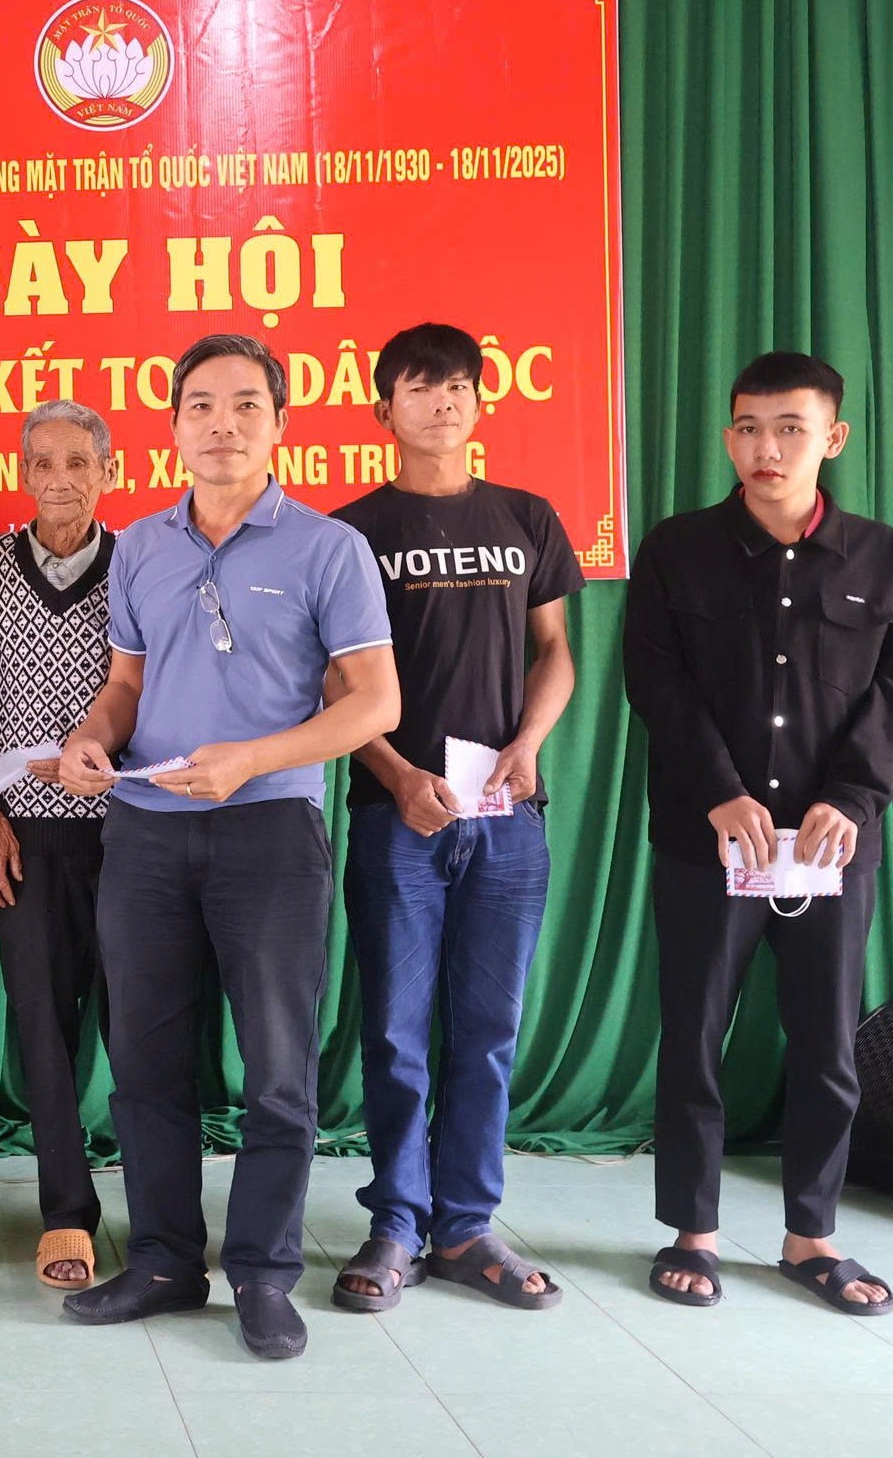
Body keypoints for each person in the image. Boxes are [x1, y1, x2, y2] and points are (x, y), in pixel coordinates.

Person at [56, 334, 399, 1359]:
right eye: (200, 405)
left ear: (280, 424)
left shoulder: (328, 548)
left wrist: (253, 757)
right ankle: (165, 1259)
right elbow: (125, 685)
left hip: (270, 832)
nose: (222, 424)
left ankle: (262, 1272)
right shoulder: (140, 548)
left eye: (246, 404)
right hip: (145, 831)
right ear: (172, 426)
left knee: (278, 1068)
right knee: (145, 1062)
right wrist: (88, 739)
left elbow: (374, 703)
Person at [624, 351, 893, 1315]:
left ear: (831, 438)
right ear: (728, 437)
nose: (767, 448)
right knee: (694, 1037)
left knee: (826, 1044)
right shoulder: (677, 548)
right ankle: (693, 1230)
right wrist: (718, 791)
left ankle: (812, 1235)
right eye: (750, 429)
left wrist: (853, 794)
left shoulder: (880, 554)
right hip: (709, 841)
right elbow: (656, 677)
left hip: (831, 847)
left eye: (790, 429)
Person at [328, 324, 584, 1313]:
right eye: (419, 387)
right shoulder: (350, 534)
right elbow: (332, 683)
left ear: (481, 402)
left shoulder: (527, 516)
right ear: (381, 410)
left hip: (508, 815)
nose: (441, 403)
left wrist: (529, 742)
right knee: (395, 1030)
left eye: (458, 387)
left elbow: (555, 650)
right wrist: (395, 775)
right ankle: (396, 1220)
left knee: (487, 1027)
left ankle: (467, 1225)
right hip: (398, 816)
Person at [0, 400, 118, 1291]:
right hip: (19, 833)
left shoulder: (141, 562)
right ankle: (65, 1213)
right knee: (41, 1027)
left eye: (77, 462)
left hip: (127, 835)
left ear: (108, 473)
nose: (59, 479)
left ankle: (162, 1212)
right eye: (42, 463)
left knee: (139, 1024)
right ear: (21, 474)